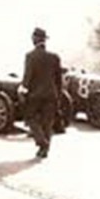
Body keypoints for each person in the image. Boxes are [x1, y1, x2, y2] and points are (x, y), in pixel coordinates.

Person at [18, 28, 62, 159]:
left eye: (33, 37)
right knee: (47, 123)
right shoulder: (54, 57)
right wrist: (58, 96)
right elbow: (58, 80)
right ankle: (44, 151)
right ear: (44, 40)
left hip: (35, 95)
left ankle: (42, 142)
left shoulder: (30, 56)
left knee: (30, 118)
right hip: (51, 95)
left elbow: (27, 77)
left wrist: (22, 91)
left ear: (36, 39)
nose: (32, 39)